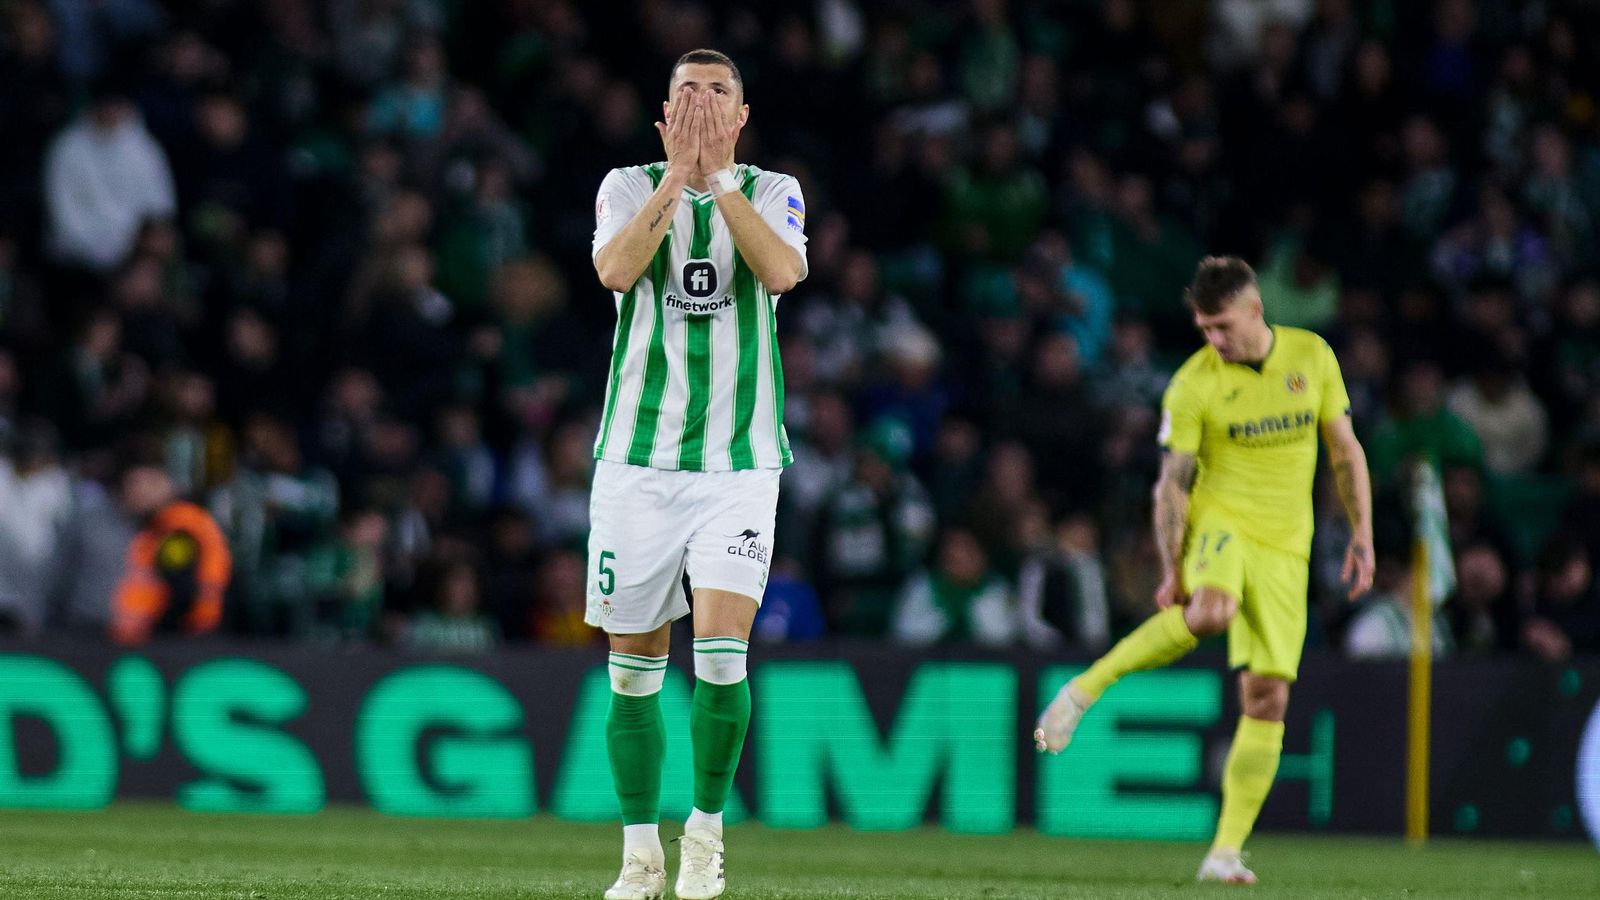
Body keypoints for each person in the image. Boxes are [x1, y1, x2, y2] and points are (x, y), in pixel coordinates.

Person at [1034, 257, 1374, 885]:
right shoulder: (1194, 383)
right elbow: (1171, 485)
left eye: (1221, 326)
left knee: (1267, 698)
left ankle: (1224, 852)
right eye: (1203, 328)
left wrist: (1362, 535)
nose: (1213, 340)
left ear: (1254, 310)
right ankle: (1084, 689)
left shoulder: (1312, 357)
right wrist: (1171, 568)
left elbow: (1345, 451)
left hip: (1287, 546)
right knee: (1210, 610)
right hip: (1223, 524)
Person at [585, 49, 808, 900]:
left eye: (721, 92)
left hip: (739, 465)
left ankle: (705, 838)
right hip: (637, 465)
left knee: (721, 656)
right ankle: (639, 854)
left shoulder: (775, 188)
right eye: (689, 92)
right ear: (663, 115)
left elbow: (783, 272)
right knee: (634, 667)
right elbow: (614, 271)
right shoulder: (625, 185)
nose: (705, 103)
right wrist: (677, 180)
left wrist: (717, 185)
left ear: (743, 115)